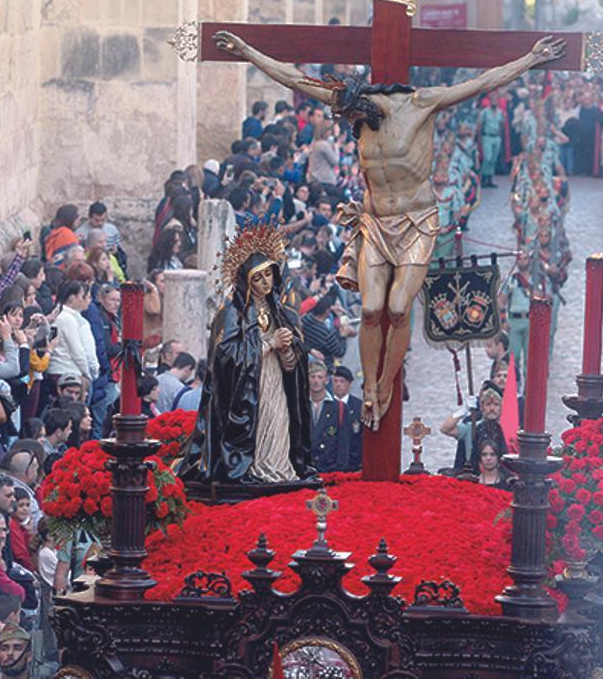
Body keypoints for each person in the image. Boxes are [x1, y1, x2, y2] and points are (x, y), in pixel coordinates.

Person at [214, 28, 567, 423]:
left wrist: (530, 59)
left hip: (417, 220)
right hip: (376, 222)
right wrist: (248, 52)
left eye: (353, 117)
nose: (350, 123)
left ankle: (384, 387)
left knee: (398, 308)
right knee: (369, 310)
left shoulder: (420, 104)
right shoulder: (355, 108)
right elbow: (296, 79)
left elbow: (483, 81)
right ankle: (368, 388)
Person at [179, 223, 318, 485]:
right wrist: (267, 345)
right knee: (260, 423)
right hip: (247, 388)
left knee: (279, 423)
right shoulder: (231, 313)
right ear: (246, 281)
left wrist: (288, 350)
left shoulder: (282, 312)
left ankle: (279, 468)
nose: (265, 282)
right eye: (258, 277)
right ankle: (255, 468)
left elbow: (295, 364)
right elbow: (224, 355)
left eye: (268, 275)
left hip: (275, 380)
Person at [311, 366, 362, 473]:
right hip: (311, 465)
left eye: (320, 377)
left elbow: (346, 441)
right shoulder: (303, 406)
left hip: (332, 467)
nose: (316, 381)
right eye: (313, 377)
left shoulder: (353, 407)